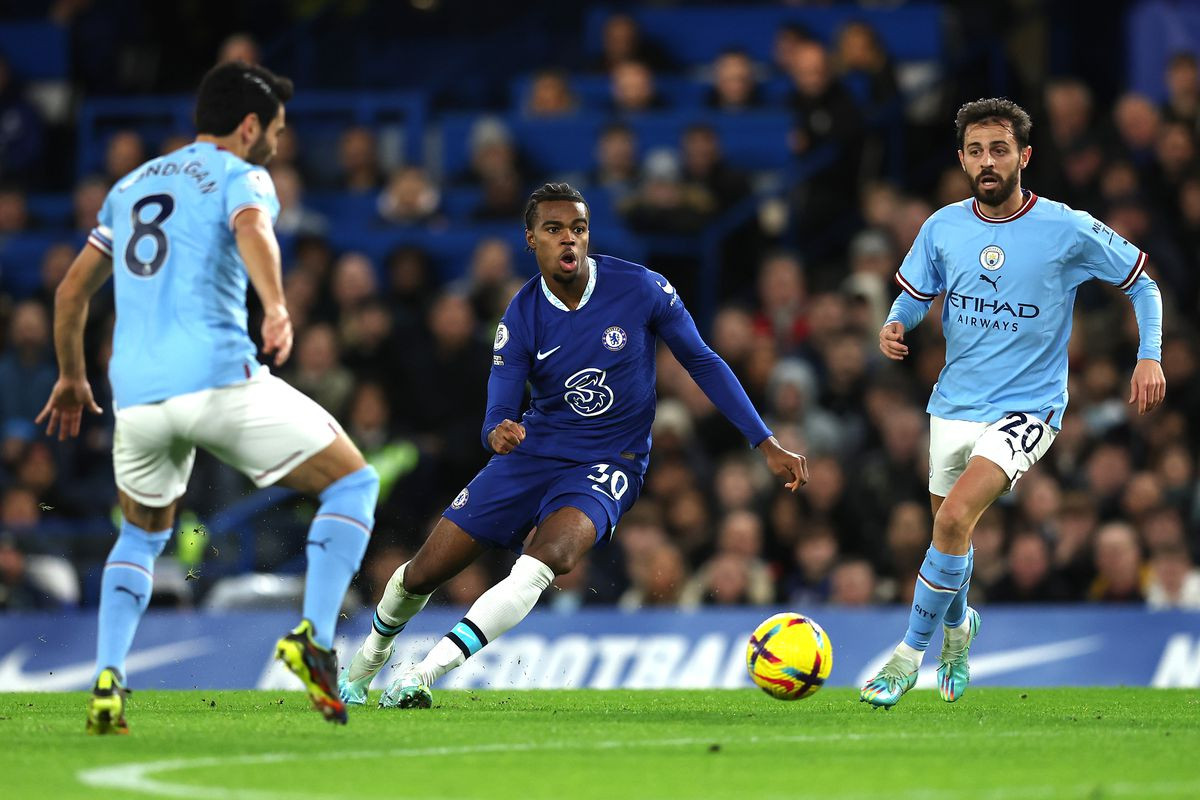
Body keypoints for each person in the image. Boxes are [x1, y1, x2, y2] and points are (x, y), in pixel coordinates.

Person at [338, 182, 808, 709]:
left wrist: (764, 441)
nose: (569, 240)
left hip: (610, 462)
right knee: (424, 572)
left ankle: (422, 674)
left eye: (579, 229)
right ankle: (363, 667)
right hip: (532, 454)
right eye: (554, 230)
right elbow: (499, 404)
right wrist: (498, 430)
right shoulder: (520, 316)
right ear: (531, 240)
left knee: (547, 559)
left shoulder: (642, 289)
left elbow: (702, 360)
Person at [37, 61, 378, 732]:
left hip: (134, 397)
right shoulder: (240, 175)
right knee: (353, 484)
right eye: (275, 130)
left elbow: (71, 291)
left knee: (138, 535)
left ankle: (108, 679)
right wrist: (277, 306)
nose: (277, 143)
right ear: (249, 126)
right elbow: (253, 228)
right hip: (218, 381)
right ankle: (314, 641)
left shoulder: (129, 186)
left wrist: (72, 375)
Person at [862, 98, 1166, 708]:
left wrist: (1150, 355)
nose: (987, 161)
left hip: (1028, 409)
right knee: (952, 533)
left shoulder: (1067, 227)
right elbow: (917, 295)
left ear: (1024, 156)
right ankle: (959, 628)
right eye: (976, 151)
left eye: (999, 149)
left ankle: (905, 658)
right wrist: (896, 323)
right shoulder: (942, 227)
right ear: (962, 160)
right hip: (953, 403)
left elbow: (1144, 284)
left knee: (951, 522)